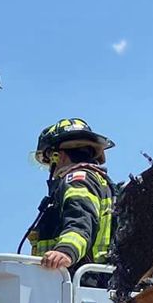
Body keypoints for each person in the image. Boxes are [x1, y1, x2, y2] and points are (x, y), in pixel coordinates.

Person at [25, 117, 116, 274]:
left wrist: (66, 251)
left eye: (48, 163)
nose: (49, 170)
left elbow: (81, 216)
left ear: (57, 156)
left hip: (78, 283)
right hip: (89, 282)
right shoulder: (98, 181)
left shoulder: (78, 179)